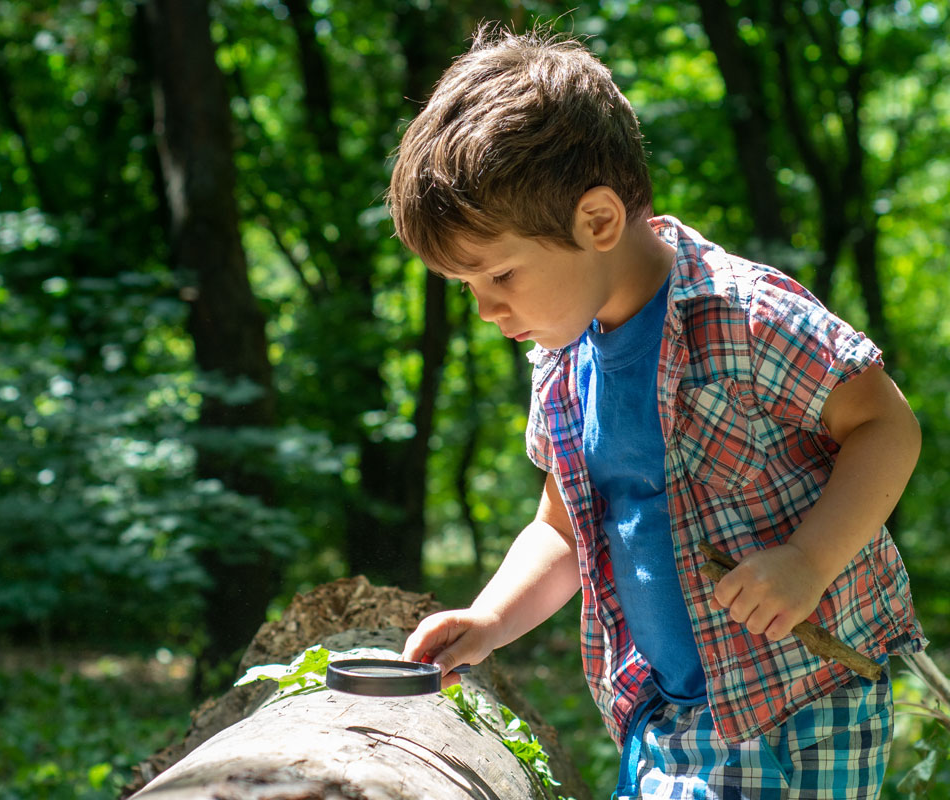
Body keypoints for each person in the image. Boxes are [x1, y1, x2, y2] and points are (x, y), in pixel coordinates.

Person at [387, 24, 927, 799]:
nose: (485, 309)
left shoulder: (745, 316)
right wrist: (491, 620)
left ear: (598, 222)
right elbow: (561, 528)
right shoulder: (563, 360)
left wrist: (808, 560)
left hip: (799, 702)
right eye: (467, 287)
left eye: (500, 274)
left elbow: (887, 426)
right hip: (663, 708)